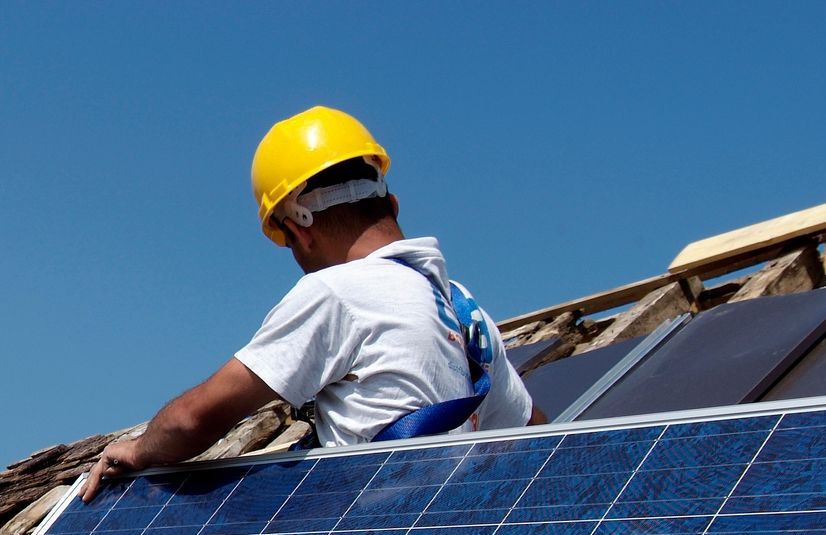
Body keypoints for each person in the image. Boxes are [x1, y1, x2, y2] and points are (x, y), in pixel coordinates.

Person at [81, 105, 542, 502]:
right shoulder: (465, 310)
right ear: (392, 204)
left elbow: (193, 419)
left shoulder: (338, 290)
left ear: (300, 229)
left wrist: (139, 450)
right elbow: (533, 432)